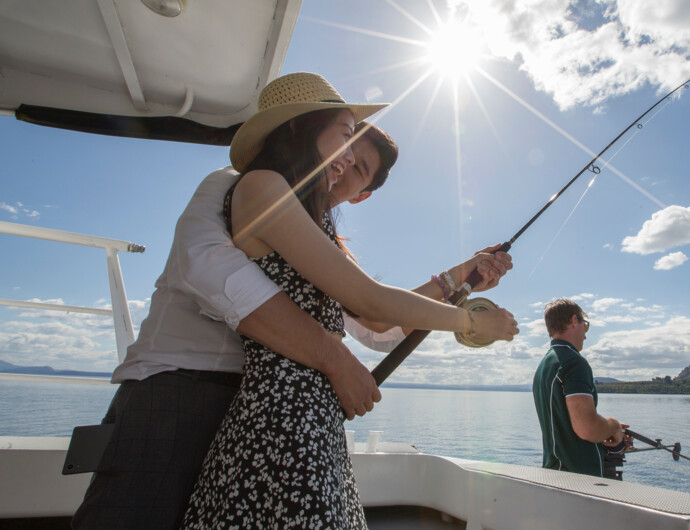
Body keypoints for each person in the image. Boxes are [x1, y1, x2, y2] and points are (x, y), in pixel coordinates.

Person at [72, 74, 513, 529]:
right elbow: (205, 267)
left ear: (362, 196)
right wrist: (465, 324)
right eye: (345, 140)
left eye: (358, 165)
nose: (345, 160)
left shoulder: (316, 230)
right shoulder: (240, 182)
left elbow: (372, 323)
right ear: (301, 129)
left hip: (266, 404)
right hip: (181, 388)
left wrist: (460, 277)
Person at [532, 298, 630, 478]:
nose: (585, 334)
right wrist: (613, 426)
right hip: (580, 479)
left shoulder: (545, 364)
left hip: (554, 474)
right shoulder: (574, 363)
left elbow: (567, 426)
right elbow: (587, 428)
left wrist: (604, 431)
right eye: (585, 326)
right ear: (573, 321)